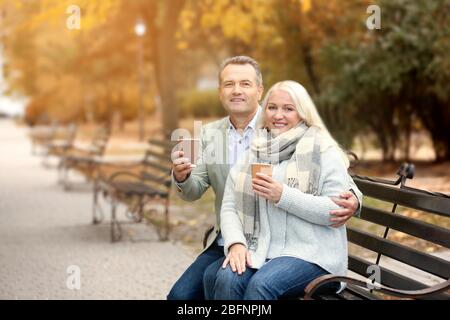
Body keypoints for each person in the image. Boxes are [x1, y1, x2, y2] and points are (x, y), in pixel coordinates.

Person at [167, 57, 361, 300]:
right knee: (180, 296)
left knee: (234, 280)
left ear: (259, 91)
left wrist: (354, 198)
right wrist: (181, 176)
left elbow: (339, 189)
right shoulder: (211, 135)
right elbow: (198, 191)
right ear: (220, 92)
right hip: (235, 237)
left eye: (245, 83)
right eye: (229, 84)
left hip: (291, 246)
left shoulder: (286, 135)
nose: (236, 90)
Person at [204, 80, 353, 300]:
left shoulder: (323, 151)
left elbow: (334, 210)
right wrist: (236, 243)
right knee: (227, 277)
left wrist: (283, 196)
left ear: (302, 113)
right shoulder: (255, 151)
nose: (278, 115)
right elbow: (229, 207)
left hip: (313, 255)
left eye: (288, 108)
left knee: (261, 285)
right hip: (263, 249)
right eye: (272, 107)